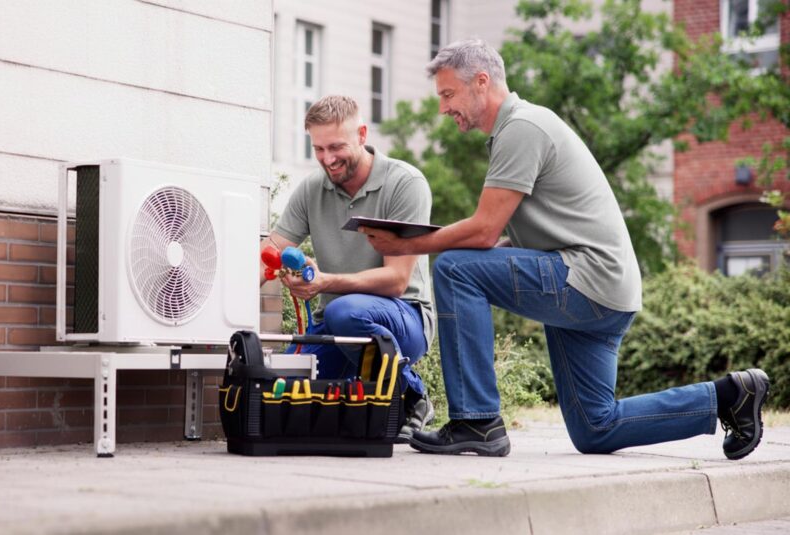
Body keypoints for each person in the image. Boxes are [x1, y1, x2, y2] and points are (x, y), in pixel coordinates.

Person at [362, 39, 770, 459]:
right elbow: (502, 238)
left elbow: (483, 232)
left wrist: (408, 243)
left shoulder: (522, 127)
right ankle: (728, 396)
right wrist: (487, 257)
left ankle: (476, 421)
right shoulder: (520, 129)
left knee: (454, 268)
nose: (444, 108)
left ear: (481, 82)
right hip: (606, 291)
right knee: (596, 428)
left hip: (586, 278)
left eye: (448, 94)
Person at [261, 95, 436, 442]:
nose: (328, 159)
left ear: (362, 134)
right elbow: (271, 249)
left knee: (343, 310)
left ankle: (412, 394)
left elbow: (397, 281)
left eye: (336, 147)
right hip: (337, 326)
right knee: (281, 392)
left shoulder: (404, 184)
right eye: (319, 148)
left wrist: (325, 282)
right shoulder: (313, 188)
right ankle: (374, 404)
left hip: (405, 318)